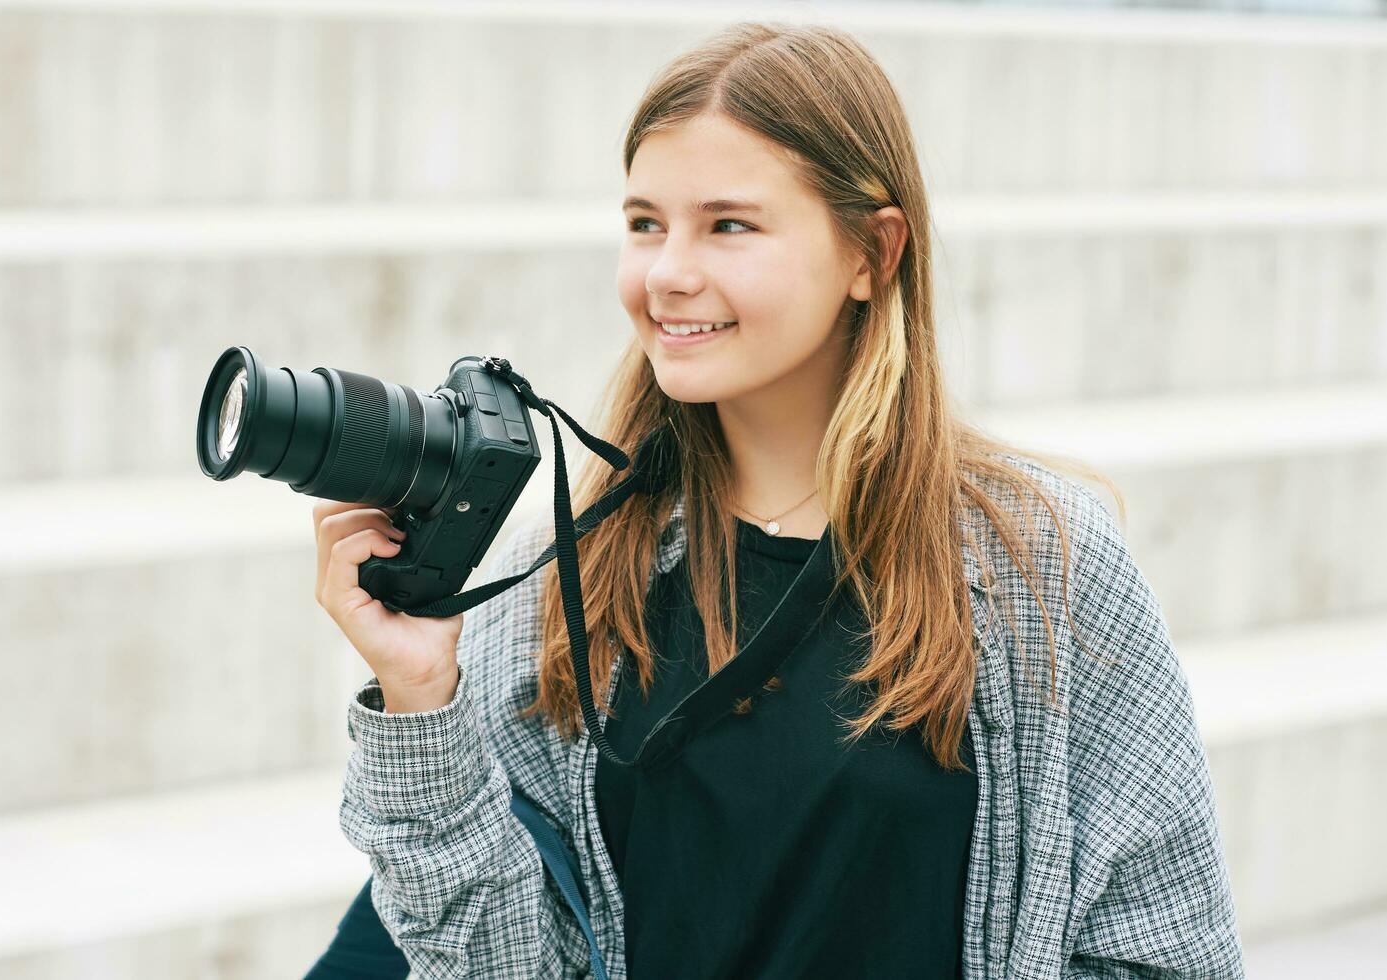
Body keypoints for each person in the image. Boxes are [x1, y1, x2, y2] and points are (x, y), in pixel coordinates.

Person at [306, 21, 1245, 980]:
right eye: (644, 223)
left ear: (871, 254)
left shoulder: (1038, 564)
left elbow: (1166, 951)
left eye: (729, 224)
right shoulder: (564, 581)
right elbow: (497, 966)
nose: (668, 272)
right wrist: (420, 697)